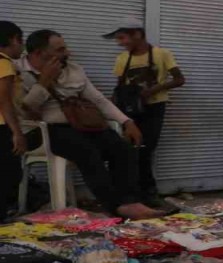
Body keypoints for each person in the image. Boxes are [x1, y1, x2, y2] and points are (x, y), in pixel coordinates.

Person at [15, 30, 164, 220]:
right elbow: (24, 111)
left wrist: (127, 121)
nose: (67, 53)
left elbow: (98, 100)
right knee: (87, 151)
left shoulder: (74, 69)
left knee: (123, 148)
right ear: (38, 53)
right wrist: (44, 81)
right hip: (42, 131)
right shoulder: (17, 72)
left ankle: (131, 201)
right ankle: (115, 206)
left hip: (79, 125)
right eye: (60, 50)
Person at [107, 24, 185, 200]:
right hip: (130, 109)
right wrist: (111, 108)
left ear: (137, 34)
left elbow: (179, 79)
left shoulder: (162, 54)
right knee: (129, 149)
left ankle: (148, 192)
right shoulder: (122, 58)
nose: (120, 43)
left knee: (146, 148)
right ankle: (132, 192)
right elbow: (119, 86)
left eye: (122, 38)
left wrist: (153, 90)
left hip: (154, 107)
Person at [0, 21, 40, 218]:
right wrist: (17, 133)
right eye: (21, 41)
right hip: (2, 127)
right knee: (8, 175)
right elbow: (4, 102)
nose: (22, 47)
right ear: (14, 40)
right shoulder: (4, 63)